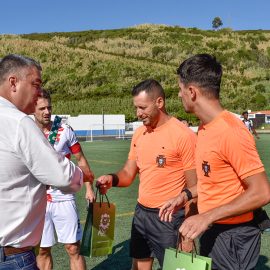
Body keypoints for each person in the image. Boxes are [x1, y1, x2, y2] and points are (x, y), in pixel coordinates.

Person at [159, 54, 270, 270]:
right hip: (214, 229)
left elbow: (262, 192)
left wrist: (206, 216)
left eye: (180, 90)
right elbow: (215, 181)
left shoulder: (231, 131)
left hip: (234, 236)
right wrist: (184, 196)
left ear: (192, 92)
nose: (179, 95)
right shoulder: (204, 128)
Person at [96, 79, 198, 270]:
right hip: (142, 214)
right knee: (139, 266)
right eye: (136, 108)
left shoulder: (183, 135)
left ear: (159, 102)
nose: (138, 113)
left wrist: (188, 235)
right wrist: (112, 179)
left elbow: (195, 189)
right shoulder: (139, 134)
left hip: (170, 218)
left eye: (142, 107)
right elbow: (128, 173)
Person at [0, 54, 86, 269]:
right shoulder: (19, 123)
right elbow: (65, 177)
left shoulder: (64, 130)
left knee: (71, 247)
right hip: (13, 253)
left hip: (53, 206)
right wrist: (82, 176)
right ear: (13, 83)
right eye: (35, 84)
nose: (38, 92)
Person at [34, 89, 95, 270]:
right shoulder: (27, 131)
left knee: (73, 248)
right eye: (42, 108)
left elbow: (81, 160)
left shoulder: (64, 130)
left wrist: (89, 188)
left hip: (64, 197)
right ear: (33, 109)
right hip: (38, 200)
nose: (47, 112)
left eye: (49, 108)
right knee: (42, 250)